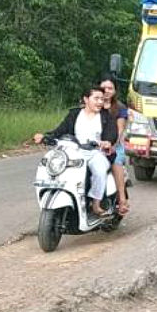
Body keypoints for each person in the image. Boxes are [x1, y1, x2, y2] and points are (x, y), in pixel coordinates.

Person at [33, 86, 118, 216]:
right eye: (96, 98)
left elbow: (112, 134)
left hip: (95, 152)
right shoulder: (74, 114)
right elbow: (59, 131)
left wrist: (107, 142)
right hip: (74, 152)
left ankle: (96, 203)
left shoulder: (106, 116)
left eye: (102, 99)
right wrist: (45, 137)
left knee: (99, 171)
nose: (100, 102)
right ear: (86, 99)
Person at [99, 76, 129, 215]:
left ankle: (122, 199)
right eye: (104, 87)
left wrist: (112, 145)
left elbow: (120, 130)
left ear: (115, 91)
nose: (107, 91)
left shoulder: (120, 108)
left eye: (110, 88)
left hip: (114, 145)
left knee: (116, 162)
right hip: (94, 145)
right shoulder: (93, 105)